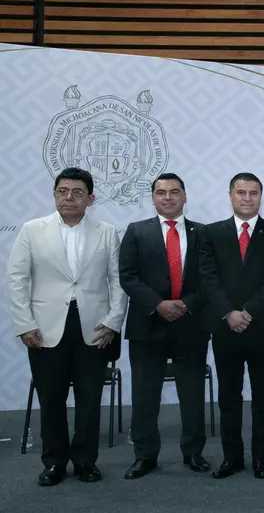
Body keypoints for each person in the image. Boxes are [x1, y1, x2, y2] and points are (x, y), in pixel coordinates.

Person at [7, 167, 127, 486]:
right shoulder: (33, 230)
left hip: (94, 327)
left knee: (90, 398)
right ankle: (54, 462)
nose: (68, 198)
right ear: (55, 195)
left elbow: (117, 281)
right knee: (52, 397)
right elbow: (17, 279)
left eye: (76, 192)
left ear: (91, 198)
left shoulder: (106, 231)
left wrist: (114, 321)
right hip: (45, 328)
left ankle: (86, 460)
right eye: (62, 191)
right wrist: (24, 323)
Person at [119, 173, 210, 480]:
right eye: (161, 193)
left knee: (193, 394)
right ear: (153, 198)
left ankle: (193, 452)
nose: (168, 198)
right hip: (148, 324)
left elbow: (209, 278)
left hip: (191, 324)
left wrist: (186, 304)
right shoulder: (136, 232)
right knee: (145, 394)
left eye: (174, 192)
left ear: (185, 196)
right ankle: (144, 456)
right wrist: (159, 304)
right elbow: (128, 276)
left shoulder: (202, 233)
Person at [198, 172, 264, 480]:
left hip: (262, 327)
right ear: (230, 195)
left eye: (253, 193)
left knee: (263, 396)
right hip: (225, 327)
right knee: (229, 396)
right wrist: (228, 313)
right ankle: (231, 458)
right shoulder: (211, 232)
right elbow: (207, 278)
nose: (247, 198)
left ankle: (261, 459)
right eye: (241, 193)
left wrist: (247, 311)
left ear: (261, 196)